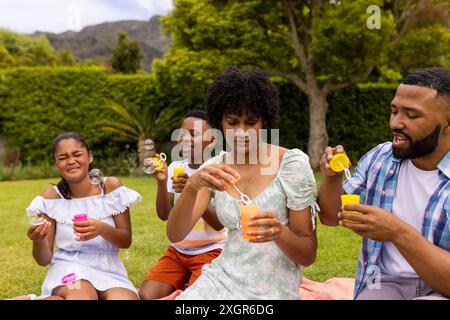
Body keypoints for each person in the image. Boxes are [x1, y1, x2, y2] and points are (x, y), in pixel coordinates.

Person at [167, 67, 318, 299]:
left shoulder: (290, 165)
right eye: (233, 122)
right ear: (220, 123)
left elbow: (308, 254)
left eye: (251, 122)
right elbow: (175, 234)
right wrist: (192, 186)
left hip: (272, 289)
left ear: (264, 121)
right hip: (221, 279)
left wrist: (279, 233)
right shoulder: (215, 169)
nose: (241, 132)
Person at [318, 67, 450, 300]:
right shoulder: (381, 158)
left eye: (412, 115)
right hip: (386, 282)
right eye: (394, 111)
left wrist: (396, 231)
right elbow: (330, 216)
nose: (395, 123)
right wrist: (332, 176)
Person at [25, 132, 140, 300]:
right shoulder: (52, 198)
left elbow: (125, 240)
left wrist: (102, 228)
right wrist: (38, 240)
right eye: (63, 158)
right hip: (69, 268)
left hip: (109, 268)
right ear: (56, 164)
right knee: (82, 296)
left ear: (90, 156)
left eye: (77, 154)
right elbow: (43, 259)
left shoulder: (111, 188)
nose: (71, 161)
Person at [139, 110, 227, 300]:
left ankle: (190, 281)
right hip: (178, 251)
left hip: (211, 251)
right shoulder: (175, 168)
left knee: (195, 299)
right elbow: (164, 215)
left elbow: (220, 224)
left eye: (193, 134)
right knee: (146, 296)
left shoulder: (217, 169)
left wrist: (191, 190)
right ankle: (186, 278)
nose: (185, 139)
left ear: (211, 140)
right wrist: (162, 182)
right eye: (182, 134)